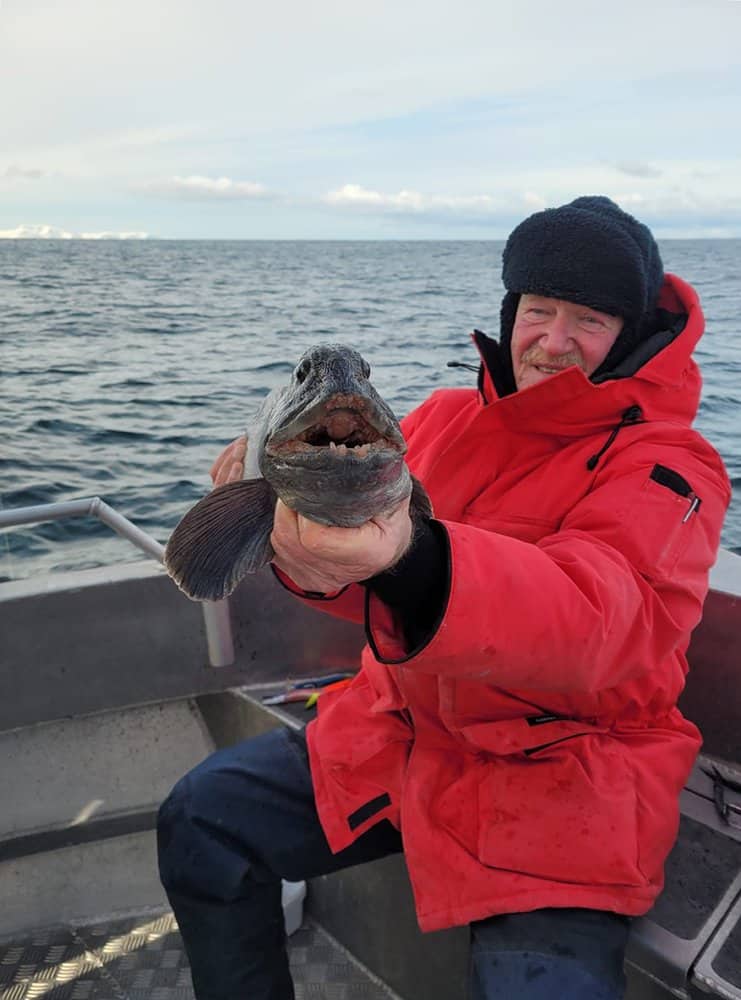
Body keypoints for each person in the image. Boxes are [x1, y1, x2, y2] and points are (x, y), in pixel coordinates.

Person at [157, 196, 731, 1000]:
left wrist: (411, 556)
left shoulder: (671, 462)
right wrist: (297, 551)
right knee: (202, 821)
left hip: (565, 771)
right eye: (539, 310)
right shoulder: (439, 418)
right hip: (400, 731)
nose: (553, 341)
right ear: (510, 311)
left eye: (589, 320)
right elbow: (360, 592)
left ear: (629, 333)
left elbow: (607, 620)